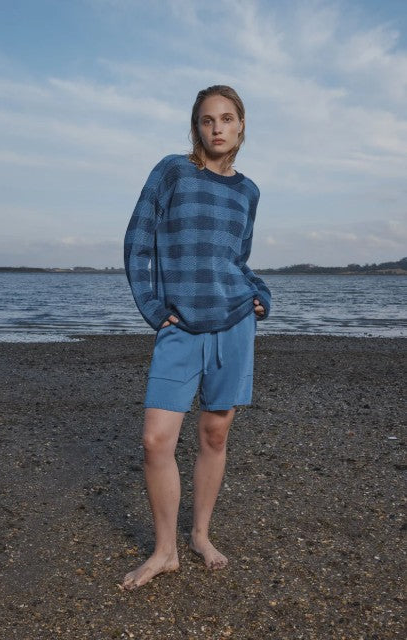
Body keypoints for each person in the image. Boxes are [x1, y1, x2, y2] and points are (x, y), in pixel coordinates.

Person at [119, 85, 271, 591]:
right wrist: (152, 307)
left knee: (214, 435)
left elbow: (238, 259)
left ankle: (200, 536)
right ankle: (164, 551)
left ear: (241, 125)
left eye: (226, 118)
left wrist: (260, 295)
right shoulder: (172, 172)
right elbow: (137, 242)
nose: (217, 128)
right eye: (207, 120)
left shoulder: (249, 192)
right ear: (196, 127)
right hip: (179, 326)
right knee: (155, 440)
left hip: (234, 323)